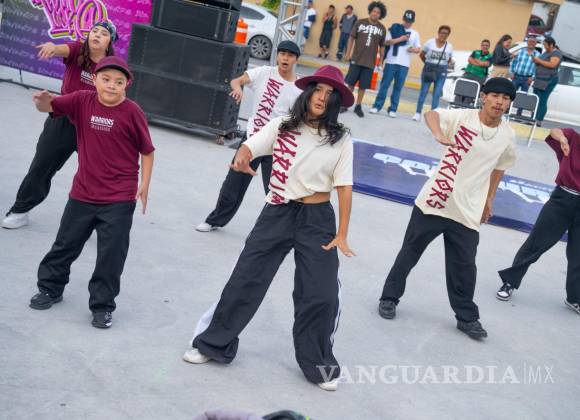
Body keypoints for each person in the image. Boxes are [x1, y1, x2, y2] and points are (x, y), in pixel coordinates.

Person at [183, 66, 355, 392]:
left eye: (330, 93)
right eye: (318, 90)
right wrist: (242, 156)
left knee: (320, 293)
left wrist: (342, 233)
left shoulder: (341, 138)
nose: (322, 97)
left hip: (318, 218)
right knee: (246, 277)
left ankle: (318, 364)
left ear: (336, 102)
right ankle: (213, 343)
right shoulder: (283, 125)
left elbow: (345, 187)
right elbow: (251, 146)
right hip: (277, 211)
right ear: (308, 93)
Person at [378, 78, 517, 340]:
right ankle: (389, 298)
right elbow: (431, 114)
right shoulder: (463, 117)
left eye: (506, 98)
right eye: (495, 95)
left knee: (464, 267)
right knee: (409, 253)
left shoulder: (508, 135)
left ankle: (467, 318)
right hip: (435, 200)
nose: (500, 102)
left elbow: (500, 167)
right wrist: (438, 134)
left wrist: (489, 199)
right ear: (484, 97)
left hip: (468, 210)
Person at [27, 57, 155, 329]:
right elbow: (48, 106)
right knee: (65, 244)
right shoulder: (81, 100)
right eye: (106, 79)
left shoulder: (133, 112)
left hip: (119, 197)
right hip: (82, 193)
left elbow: (147, 150)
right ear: (94, 79)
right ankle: (50, 289)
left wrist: (144, 184)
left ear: (126, 85)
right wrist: (42, 101)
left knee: (111, 255)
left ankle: (102, 306)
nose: (111, 86)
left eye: (118, 82)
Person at [2, 21, 117, 229]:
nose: (97, 35)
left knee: (97, 177)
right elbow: (62, 48)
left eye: (104, 33)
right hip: (62, 120)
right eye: (94, 31)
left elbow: (117, 98)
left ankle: (99, 221)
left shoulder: (112, 67)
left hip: (92, 127)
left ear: (110, 42)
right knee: (41, 167)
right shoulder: (77, 50)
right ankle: (20, 210)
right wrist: (52, 48)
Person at [195, 41, 302, 233]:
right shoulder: (264, 73)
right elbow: (236, 81)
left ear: (296, 60)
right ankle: (215, 221)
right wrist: (237, 88)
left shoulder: (299, 88)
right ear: (277, 56)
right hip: (251, 141)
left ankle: (277, 232)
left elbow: (299, 120)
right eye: (282, 54)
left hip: (276, 146)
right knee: (233, 184)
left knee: (275, 191)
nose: (285, 58)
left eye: (290, 55)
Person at [496, 128, 580, 316]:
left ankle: (574, 298)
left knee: (578, 256)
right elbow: (554, 131)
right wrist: (562, 139)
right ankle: (510, 282)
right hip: (562, 200)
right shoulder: (573, 138)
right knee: (535, 244)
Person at [369, 9, 420, 118]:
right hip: (391, 61)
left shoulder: (415, 34)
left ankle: (393, 109)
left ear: (413, 22)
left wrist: (413, 49)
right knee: (384, 85)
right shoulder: (395, 28)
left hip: (404, 65)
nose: (407, 23)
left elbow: (418, 49)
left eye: (410, 21)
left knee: (398, 87)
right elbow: (386, 42)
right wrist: (400, 39)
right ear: (403, 19)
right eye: (406, 20)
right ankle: (377, 106)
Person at [343, 1, 387, 118]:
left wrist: (381, 61)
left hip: (370, 63)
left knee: (363, 86)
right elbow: (351, 38)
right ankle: (346, 104)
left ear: (380, 15)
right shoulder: (360, 23)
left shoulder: (382, 28)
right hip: (356, 59)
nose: (375, 14)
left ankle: (358, 106)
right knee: (350, 84)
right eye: (373, 11)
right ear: (370, 11)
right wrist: (348, 53)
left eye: (378, 12)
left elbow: (382, 46)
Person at [413, 25, 453, 122]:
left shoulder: (449, 46)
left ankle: (432, 116)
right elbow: (422, 55)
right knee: (424, 91)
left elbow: (449, 60)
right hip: (429, 68)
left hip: (441, 71)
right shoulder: (430, 42)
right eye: (442, 33)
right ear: (438, 33)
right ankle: (418, 113)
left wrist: (441, 66)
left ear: (448, 35)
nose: (444, 35)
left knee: (437, 94)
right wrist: (428, 64)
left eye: (446, 33)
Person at [532, 36, 562, 126]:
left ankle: (538, 120)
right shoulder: (546, 52)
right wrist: (536, 61)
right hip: (539, 80)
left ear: (551, 45)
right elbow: (541, 62)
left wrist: (539, 61)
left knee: (542, 100)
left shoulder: (556, 53)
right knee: (536, 99)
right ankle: (533, 118)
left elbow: (553, 64)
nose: (544, 47)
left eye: (545, 45)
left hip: (548, 80)